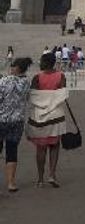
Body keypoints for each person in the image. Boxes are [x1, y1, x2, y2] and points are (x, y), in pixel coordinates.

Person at [26, 52, 69, 188]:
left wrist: (44, 99)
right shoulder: (61, 76)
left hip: (41, 115)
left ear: (45, 62)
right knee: (55, 145)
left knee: (41, 147)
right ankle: (52, 174)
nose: (40, 63)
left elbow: (33, 96)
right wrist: (52, 97)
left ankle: (40, 179)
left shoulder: (37, 77)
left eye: (41, 61)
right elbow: (62, 94)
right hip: (56, 114)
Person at [0, 56, 32, 191]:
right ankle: (11, 182)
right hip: (17, 121)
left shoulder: (4, 81)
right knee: (12, 151)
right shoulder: (26, 82)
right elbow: (27, 98)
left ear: (16, 68)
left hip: (1, 119)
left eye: (12, 66)